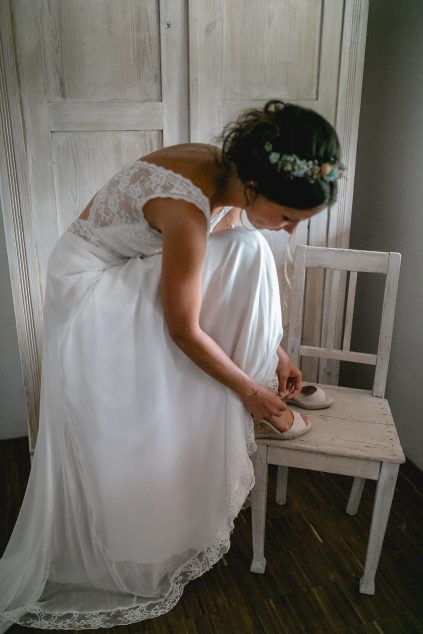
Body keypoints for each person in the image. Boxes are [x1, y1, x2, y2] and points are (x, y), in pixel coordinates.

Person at [0, 101, 343, 630]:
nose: (291, 230)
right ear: (255, 187)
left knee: (246, 248)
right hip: (89, 291)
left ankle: (264, 375)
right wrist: (250, 392)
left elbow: (223, 284)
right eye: (289, 217)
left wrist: (274, 349)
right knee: (251, 249)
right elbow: (184, 329)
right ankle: (261, 400)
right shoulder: (185, 207)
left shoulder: (229, 173)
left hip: (128, 268)